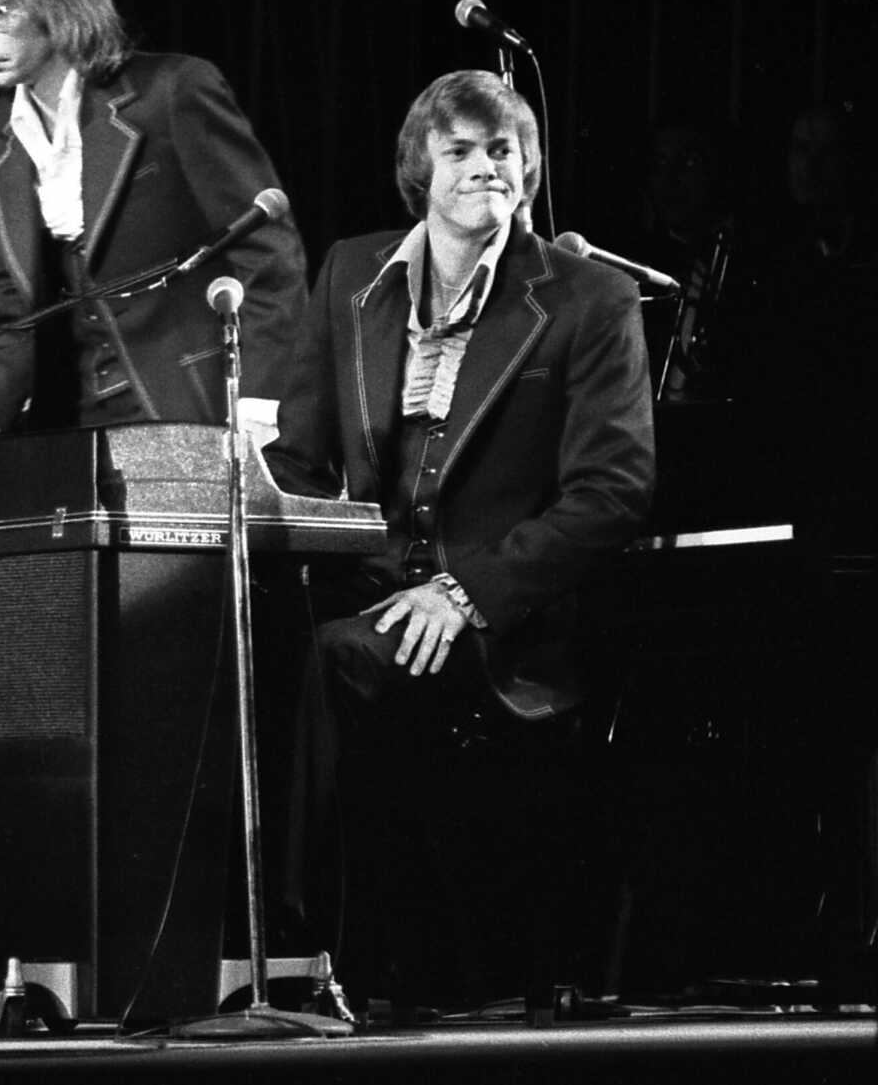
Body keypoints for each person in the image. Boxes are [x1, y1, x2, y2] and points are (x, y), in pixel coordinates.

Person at [271, 70, 656, 1009]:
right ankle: (214, 948)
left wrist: (465, 591)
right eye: (461, 150)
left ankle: (305, 949)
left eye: (503, 150)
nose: (487, 167)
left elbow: (615, 491)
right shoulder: (352, 275)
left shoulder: (586, 296)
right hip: (366, 586)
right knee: (218, 634)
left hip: (501, 618)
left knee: (340, 663)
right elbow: (298, 455)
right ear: (420, 169)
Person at [0, 0, 304, 438]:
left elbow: (269, 258)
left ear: (55, 1)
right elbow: (12, 304)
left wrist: (260, 403)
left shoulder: (172, 91)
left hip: (196, 405)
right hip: (71, 424)